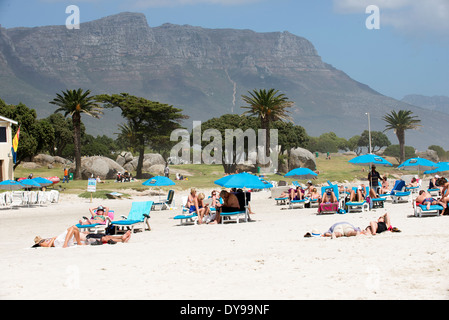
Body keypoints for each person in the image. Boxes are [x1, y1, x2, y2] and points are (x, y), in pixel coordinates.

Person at [33, 227, 131, 248]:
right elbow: (49, 245)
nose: (45, 240)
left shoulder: (56, 238)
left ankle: (121, 238)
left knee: (105, 237)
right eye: (42, 239)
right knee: (104, 238)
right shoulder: (42, 243)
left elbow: (55, 238)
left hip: (83, 236)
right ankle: (121, 238)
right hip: (86, 238)